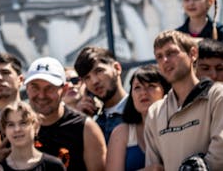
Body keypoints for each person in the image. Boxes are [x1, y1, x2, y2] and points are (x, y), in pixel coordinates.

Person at [144, 29, 223, 170]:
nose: (165, 61)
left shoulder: (217, 95)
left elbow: (219, 154)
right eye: (159, 57)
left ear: (193, 54)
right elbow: (154, 167)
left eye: (171, 53)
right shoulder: (154, 112)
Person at [7, 57, 105, 171]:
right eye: (35, 88)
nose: (42, 95)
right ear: (27, 89)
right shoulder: (14, 127)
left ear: (64, 90)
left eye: (49, 88)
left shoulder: (86, 128)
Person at [105, 65, 169, 171]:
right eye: (137, 87)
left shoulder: (177, 124)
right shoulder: (121, 132)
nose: (143, 92)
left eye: (151, 86)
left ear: (164, 91)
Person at [74, 46, 127, 142]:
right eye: (87, 77)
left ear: (117, 68)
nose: (94, 81)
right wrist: (80, 120)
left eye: (99, 71)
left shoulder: (139, 110)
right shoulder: (93, 122)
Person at [0, 101, 65, 171]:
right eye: (11, 125)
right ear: (4, 130)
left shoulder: (54, 166)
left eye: (23, 123)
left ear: (35, 126)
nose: (17, 129)